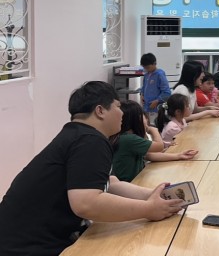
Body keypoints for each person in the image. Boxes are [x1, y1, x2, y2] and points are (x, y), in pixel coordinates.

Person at [0, 81, 185, 256]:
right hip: (25, 248)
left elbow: (111, 183)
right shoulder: (89, 140)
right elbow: (86, 203)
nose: (122, 113)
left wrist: (152, 195)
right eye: (118, 106)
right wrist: (148, 209)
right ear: (100, 111)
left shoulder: (79, 135)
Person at [111, 100, 198, 182]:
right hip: (130, 183)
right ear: (136, 119)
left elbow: (148, 155)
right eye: (143, 116)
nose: (146, 119)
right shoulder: (129, 139)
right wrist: (153, 130)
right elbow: (159, 146)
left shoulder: (127, 137)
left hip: (136, 179)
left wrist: (179, 155)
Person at [139, 52, 172, 124]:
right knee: (147, 125)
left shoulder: (160, 74)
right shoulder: (146, 75)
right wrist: (141, 94)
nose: (146, 69)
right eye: (144, 67)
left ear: (154, 63)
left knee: (156, 125)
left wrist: (157, 101)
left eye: (148, 67)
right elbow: (144, 87)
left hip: (157, 108)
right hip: (147, 107)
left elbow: (167, 92)